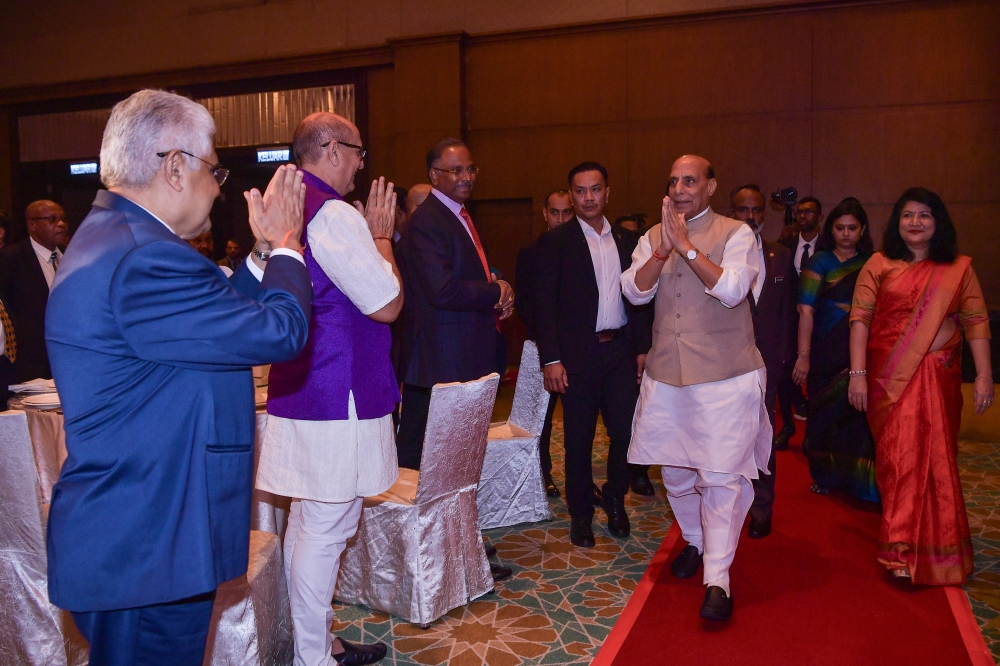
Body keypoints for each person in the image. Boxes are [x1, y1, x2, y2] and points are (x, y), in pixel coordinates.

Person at [44, 89, 313, 666]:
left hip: (141, 530)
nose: (219, 186)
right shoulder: (145, 254)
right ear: (173, 167)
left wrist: (263, 253)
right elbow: (279, 333)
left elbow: (213, 326)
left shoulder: (119, 239)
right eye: (214, 169)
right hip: (150, 538)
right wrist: (290, 246)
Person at [257, 112, 401, 666]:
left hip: (307, 388)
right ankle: (312, 658)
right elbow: (387, 304)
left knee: (310, 522)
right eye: (360, 153)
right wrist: (383, 237)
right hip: (337, 392)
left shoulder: (296, 207)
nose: (363, 165)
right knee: (326, 525)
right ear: (333, 149)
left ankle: (316, 644)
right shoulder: (334, 213)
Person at [622, 155, 771, 621]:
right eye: (674, 181)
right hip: (667, 373)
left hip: (726, 376)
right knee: (676, 475)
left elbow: (732, 290)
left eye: (691, 180)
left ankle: (718, 580)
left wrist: (686, 247)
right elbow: (634, 291)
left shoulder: (736, 233)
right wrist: (665, 248)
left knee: (720, 477)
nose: (681, 188)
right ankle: (695, 541)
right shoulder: (652, 236)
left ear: (710, 186)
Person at [849, 187, 993, 585]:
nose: (915, 222)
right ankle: (899, 552)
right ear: (897, 222)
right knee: (899, 462)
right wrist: (858, 375)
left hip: (939, 375)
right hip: (889, 380)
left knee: (938, 460)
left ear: (938, 223)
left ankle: (942, 549)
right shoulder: (879, 264)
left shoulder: (959, 269)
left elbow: (977, 323)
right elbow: (859, 321)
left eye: (925, 215)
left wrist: (983, 375)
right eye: (908, 214)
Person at [395, 138, 514, 581]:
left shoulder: (458, 216)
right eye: (455, 171)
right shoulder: (430, 220)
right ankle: (439, 555)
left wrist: (497, 289)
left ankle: (461, 547)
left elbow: (468, 275)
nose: (466, 178)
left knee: (459, 463)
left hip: (463, 358)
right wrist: (494, 292)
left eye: (470, 169)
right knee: (439, 465)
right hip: (443, 363)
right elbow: (442, 290)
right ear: (435, 176)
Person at [535, 163, 651, 547]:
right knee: (578, 440)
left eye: (595, 189)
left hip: (619, 352)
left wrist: (642, 348)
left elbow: (640, 300)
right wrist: (551, 358)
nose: (588, 198)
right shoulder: (556, 242)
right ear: (571, 196)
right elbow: (544, 306)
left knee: (624, 432)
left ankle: (615, 498)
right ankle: (581, 515)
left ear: (607, 193)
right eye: (580, 191)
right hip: (576, 357)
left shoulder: (627, 241)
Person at [790, 198, 878, 500]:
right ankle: (824, 475)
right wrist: (804, 357)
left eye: (852, 228)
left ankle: (859, 482)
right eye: (840, 228)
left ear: (862, 229)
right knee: (824, 416)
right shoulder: (819, 262)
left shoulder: (873, 262)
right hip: (825, 351)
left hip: (861, 351)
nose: (846, 234)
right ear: (832, 229)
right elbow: (806, 312)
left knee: (858, 419)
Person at [730, 184, 797, 539]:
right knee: (725, 438)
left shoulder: (780, 255)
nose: (751, 217)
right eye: (744, 210)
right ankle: (727, 505)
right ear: (732, 212)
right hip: (724, 364)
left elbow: (787, 313)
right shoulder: (718, 256)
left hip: (767, 363)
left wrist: (786, 358)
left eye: (757, 210)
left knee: (763, 435)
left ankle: (761, 507)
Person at [515, 189, 574, 497]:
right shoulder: (531, 252)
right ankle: (543, 476)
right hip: (543, 351)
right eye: (555, 212)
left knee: (580, 423)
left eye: (567, 213)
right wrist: (552, 342)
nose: (560, 219)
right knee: (542, 420)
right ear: (544, 213)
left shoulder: (584, 250)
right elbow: (526, 305)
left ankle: (581, 481)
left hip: (579, 352)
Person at [0, 199, 69, 382]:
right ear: (32, 225)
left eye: (62, 218)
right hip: (29, 366)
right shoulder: (10, 260)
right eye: (52, 219)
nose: (62, 224)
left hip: (69, 359)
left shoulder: (72, 257)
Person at [774, 197, 822, 446]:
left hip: (822, 320)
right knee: (786, 372)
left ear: (820, 217)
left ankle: (815, 428)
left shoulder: (828, 246)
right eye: (800, 212)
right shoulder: (784, 246)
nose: (804, 216)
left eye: (809, 212)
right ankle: (789, 426)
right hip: (790, 322)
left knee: (817, 375)